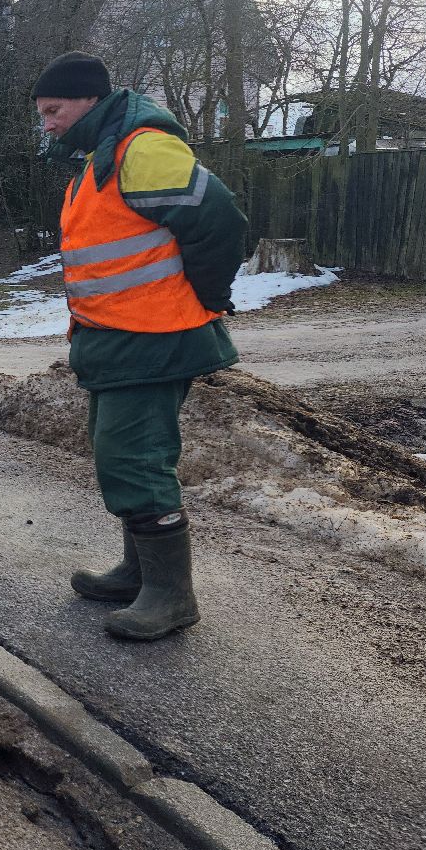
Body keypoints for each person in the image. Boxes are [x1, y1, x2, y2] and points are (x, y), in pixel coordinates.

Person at [32, 51, 248, 640]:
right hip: (120, 340)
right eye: (42, 113)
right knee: (118, 456)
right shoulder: (100, 160)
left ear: (90, 101)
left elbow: (221, 218)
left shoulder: (140, 149)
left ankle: (171, 596)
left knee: (135, 458)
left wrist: (207, 294)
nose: (47, 122)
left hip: (157, 338)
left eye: (54, 110)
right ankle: (138, 572)